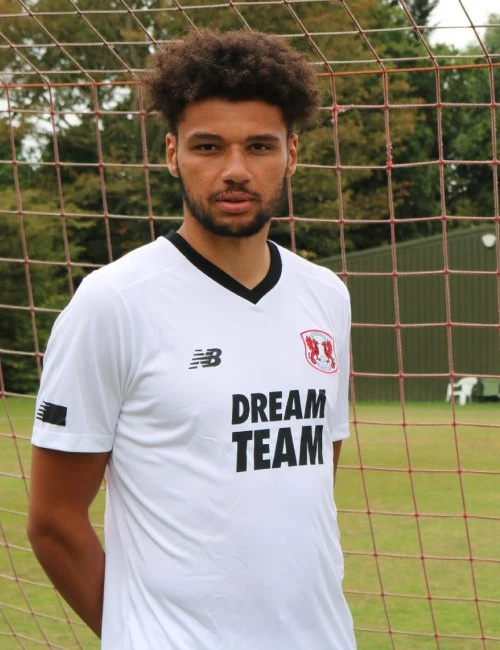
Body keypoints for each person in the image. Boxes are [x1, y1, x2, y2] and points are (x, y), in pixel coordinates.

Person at [26, 30, 356, 649]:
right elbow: (53, 523)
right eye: (209, 147)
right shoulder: (113, 302)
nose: (235, 170)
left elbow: (310, 477)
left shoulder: (326, 295)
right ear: (173, 153)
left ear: (293, 153)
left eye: (260, 146)